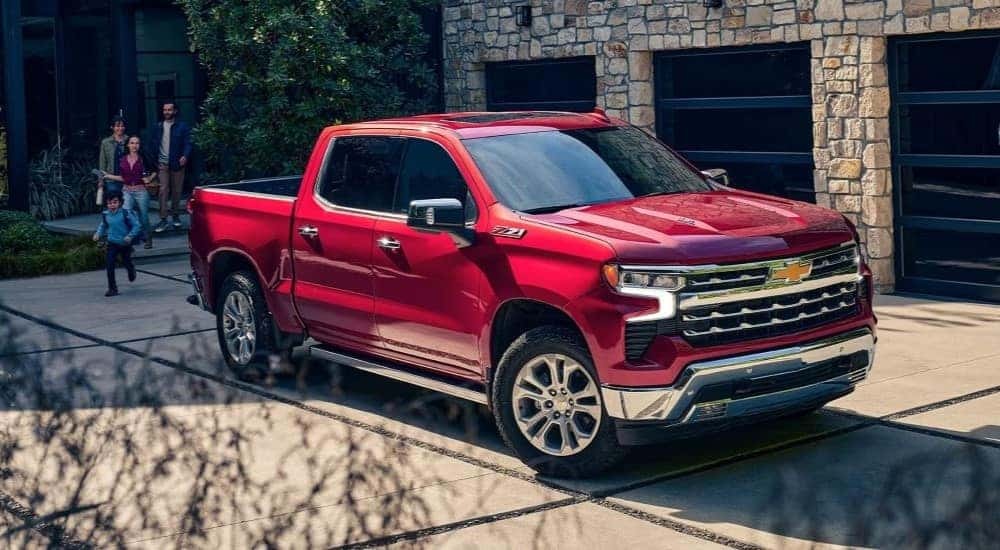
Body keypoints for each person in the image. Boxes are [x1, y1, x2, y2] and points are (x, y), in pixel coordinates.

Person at [103, 136, 155, 249]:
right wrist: (108, 176)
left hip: (141, 190)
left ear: (139, 145)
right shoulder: (122, 159)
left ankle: (148, 238)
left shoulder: (143, 158)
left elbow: (155, 170)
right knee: (126, 215)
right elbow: (122, 178)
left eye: (137, 143)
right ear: (128, 145)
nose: (134, 145)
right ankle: (128, 239)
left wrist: (150, 178)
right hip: (127, 190)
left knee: (144, 216)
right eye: (132, 143)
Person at [149, 101, 191, 233]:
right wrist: (153, 161)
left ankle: (176, 215)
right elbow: (152, 144)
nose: (166, 112)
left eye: (169, 109)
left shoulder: (182, 126)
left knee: (177, 191)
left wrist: (185, 155)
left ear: (175, 111)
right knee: (163, 190)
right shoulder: (158, 126)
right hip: (162, 164)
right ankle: (163, 219)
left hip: (177, 163)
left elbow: (188, 143)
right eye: (165, 110)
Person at [93, 191, 141, 297]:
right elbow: (103, 225)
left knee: (126, 261)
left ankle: (131, 270)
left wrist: (130, 236)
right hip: (112, 243)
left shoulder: (125, 213)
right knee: (109, 265)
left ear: (120, 202)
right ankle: (112, 289)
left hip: (125, 243)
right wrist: (98, 234)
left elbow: (136, 225)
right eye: (109, 203)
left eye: (115, 202)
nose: (112, 205)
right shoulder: (106, 214)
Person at [97, 115, 129, 197]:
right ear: (112, 127)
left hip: (127, 178)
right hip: (111, 179)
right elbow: (102, 163)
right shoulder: (106, 142)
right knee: (113, 200)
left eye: (122, 126)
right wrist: (100, 180)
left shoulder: (129, 140)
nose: (120, 128)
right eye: (117, 126)